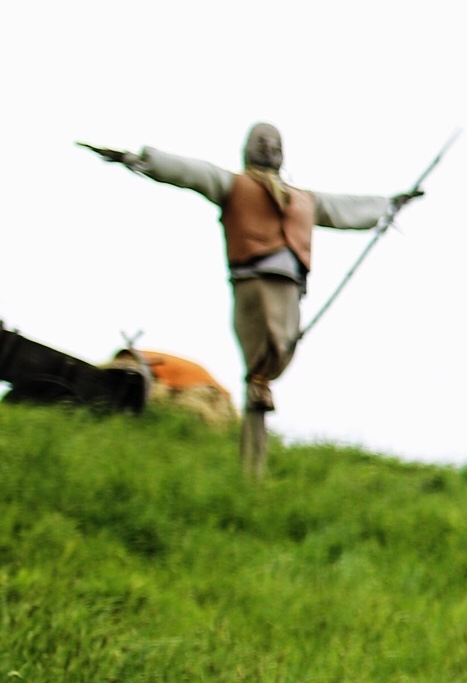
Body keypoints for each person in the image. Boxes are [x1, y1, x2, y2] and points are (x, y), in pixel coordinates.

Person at [80, 123, 408, 476]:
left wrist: (389, 205)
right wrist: (140, 159)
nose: (267, 147)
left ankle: (256, 458)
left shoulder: (303, 200)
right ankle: (251, 462)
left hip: (291, 288)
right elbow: (192, 172)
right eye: (260, 141)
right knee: (259, 363)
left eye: (274, 143)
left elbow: (345, 208)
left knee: (274, 361)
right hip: (253, 282)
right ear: (246, 148)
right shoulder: (235, 185)